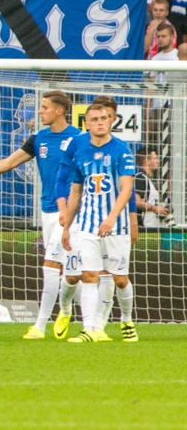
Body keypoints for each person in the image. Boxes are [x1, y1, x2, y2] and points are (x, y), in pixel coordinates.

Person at [0, 91, 81, 340]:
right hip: (47, 211)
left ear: (59, 110)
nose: (39, 111)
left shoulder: (79, 138)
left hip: (71, 211)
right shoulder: (38, 138)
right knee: (70, 272)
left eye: (45, 107)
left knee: (51, 265)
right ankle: (66, 308)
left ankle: (40, 326)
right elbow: (8, 163)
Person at [60, 96, 138, 343]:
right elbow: (75, 192)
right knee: (89, 276)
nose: (100, 123)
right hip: (87, 225)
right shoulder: (80, 151)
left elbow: (126, 189)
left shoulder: (121, 150)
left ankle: (126, 319)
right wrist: (67, 227)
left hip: (117, 226)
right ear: (87, 124)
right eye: (94, 119)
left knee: (120, 279)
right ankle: (89, 329)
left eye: (104, 118)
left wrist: (112, 217)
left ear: (111, 121)